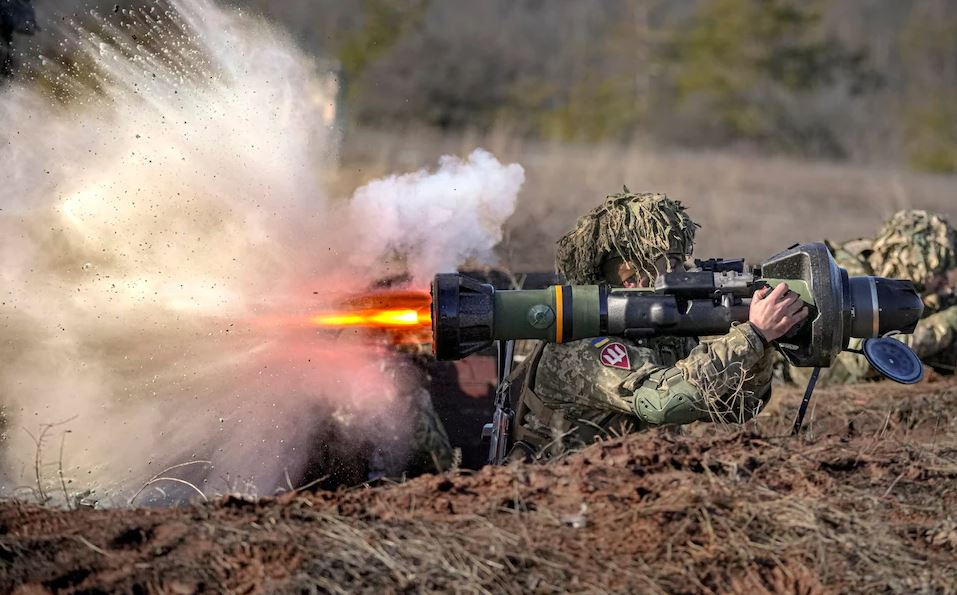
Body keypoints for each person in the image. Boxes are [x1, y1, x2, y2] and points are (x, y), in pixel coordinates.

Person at [506, 190, 808, 460]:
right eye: (669, 263)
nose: (681, 272)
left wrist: (763, 343)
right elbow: (663, 402)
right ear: (630, 276)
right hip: (555, 496)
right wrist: (752, 335)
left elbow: (736, 408)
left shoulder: (659, 336)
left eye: (679, 262)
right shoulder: (582, 345)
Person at [788, 209, 957, 387]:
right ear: (916, 261)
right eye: (941, 269)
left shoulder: (886, 275)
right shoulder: (844, 279)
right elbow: (864, 359)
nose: (945, 279)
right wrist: (946, 323)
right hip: (805, 385)